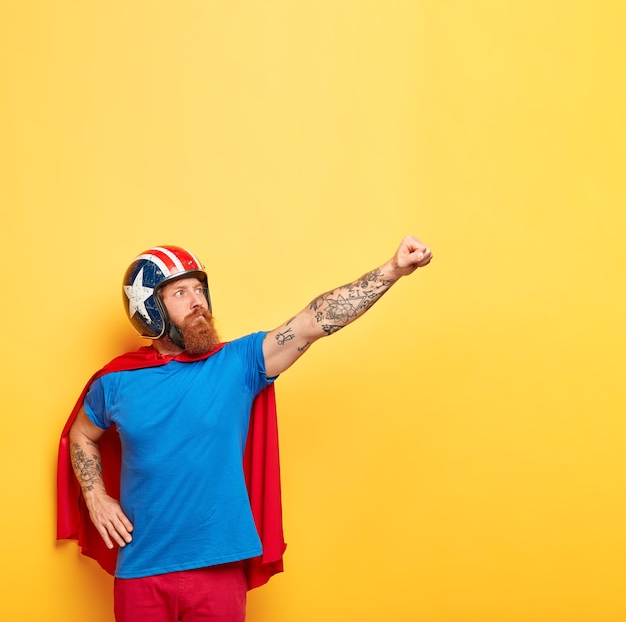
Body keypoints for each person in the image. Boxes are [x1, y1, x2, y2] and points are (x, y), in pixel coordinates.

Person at [57, 235, 433, 622]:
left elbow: (311, 323)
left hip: (218, 570)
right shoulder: (116, 382)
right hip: (141, 570)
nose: (197, 301)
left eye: (200, 290)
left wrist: (392, 270)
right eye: (180, 293)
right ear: (150, 308)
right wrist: (95, 495)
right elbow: (83, 434)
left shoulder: (237, 363)